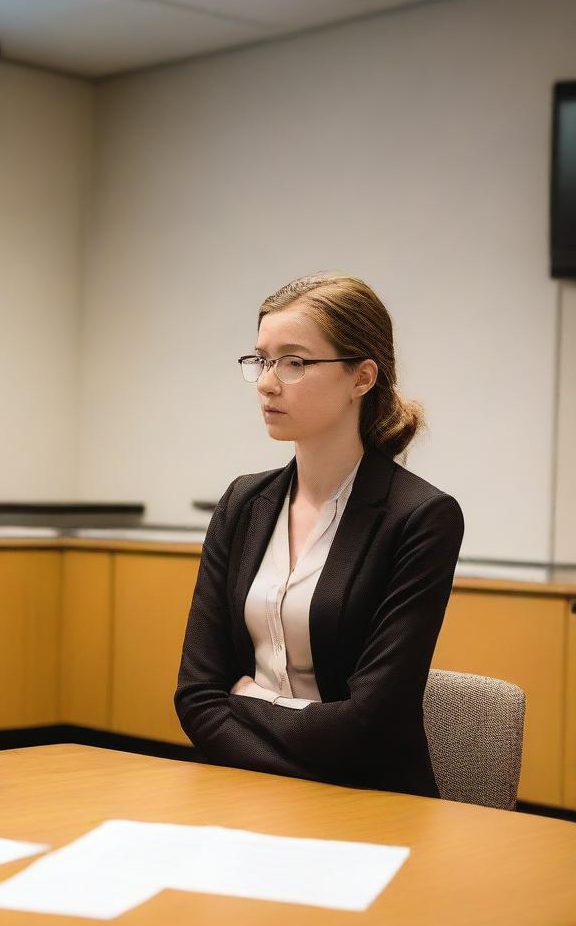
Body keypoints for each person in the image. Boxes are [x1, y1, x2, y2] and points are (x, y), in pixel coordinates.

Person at [174, 272, 464, 796]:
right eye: (261, 359)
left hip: (368, 801)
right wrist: (300, 721)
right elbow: (196, 697)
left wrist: (244, 698)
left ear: (362, 378)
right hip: (243, 793)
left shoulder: (420, 517)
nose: (266, 382)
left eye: (294, 362)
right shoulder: (242, 504)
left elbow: (368, 723)